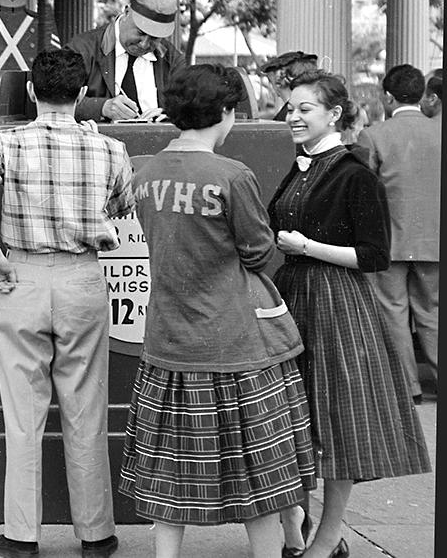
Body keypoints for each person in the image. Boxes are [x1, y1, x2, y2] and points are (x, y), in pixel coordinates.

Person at [118, 64, 316, 558]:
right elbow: (257, 250)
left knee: (170, 472)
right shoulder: (232, 175)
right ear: (226, 113)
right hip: (235, 344)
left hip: (167, 341)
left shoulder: (147, 174)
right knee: (260, 474)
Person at [0, 48, 130, 558]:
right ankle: (96, 535)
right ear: (80, 95)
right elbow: (121, 204)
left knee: (23, 414)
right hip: (82, 281)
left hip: (22, 278)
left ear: (31, 91)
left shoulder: (6, 142)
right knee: (86, 410)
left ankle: (22, 535)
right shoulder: (110, 149)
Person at [268, 71, 431, 558]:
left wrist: (307, 246)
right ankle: (296, 521)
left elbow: (375, 255)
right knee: (286, 416)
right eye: (291, 108)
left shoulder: (356, 172)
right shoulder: (300, 166)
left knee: (340, 423)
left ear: (334, 114)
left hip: (339, 303)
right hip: (294, 295)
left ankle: (329, 536)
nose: (293, 117)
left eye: (304, 109)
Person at [358, 65, 439, 403]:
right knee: (434, 311)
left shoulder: (373, 136)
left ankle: (408, 388)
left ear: (388, 97)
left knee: (392, 311)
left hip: (389, 242)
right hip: (434, 240)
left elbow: (361, 191)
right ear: (422, 95)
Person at [65, 0, 186, 122]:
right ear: (127, 12)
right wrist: (102, 107)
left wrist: (170, 114)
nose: (144, 44)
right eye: (140, 32)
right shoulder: (82, 48)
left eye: (154, 38)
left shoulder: (172, 59)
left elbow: (191, 105)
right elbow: (52, 101)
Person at [256, 51, 320, 122]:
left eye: (270, 80)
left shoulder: (286, 117)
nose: (272, 86)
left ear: (279, 77)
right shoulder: (318, 109)